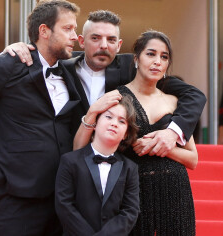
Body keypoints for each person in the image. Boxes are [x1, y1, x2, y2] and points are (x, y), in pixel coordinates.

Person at [0, 0, 81, 235]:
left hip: (61, 198)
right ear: (44, 30)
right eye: (68, 28)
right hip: (17, 197)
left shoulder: (69, 69)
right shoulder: (9, 64)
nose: (75, 36)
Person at [5, 10, 206, 156]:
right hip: (66, 157)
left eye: (111, 40)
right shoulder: (61, 65)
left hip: (117, 163)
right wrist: (19, 47)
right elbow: (39, 55)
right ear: (81, 41)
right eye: (95, 38)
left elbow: (195, 96)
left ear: (119, 45)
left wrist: (173, 132)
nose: (103, 45)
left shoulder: (134, 66)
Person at [74, 30, 199, 236]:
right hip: (133, 193)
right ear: (136, 59)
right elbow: (80, 149)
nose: (157, 61)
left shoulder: (175, 102)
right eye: (151, 54)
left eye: (164, 56)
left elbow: (192, 159)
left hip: (176, 192)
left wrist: (162, 147)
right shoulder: (118, 98)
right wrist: (92, 113)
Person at [55, 94, 140, 236]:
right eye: (108, 117)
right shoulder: (70, 161)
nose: (114, 123)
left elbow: (130, 211)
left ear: (126, 134)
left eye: (122, 121)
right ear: (95, 123)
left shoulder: (130, 168)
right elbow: (64, 206)